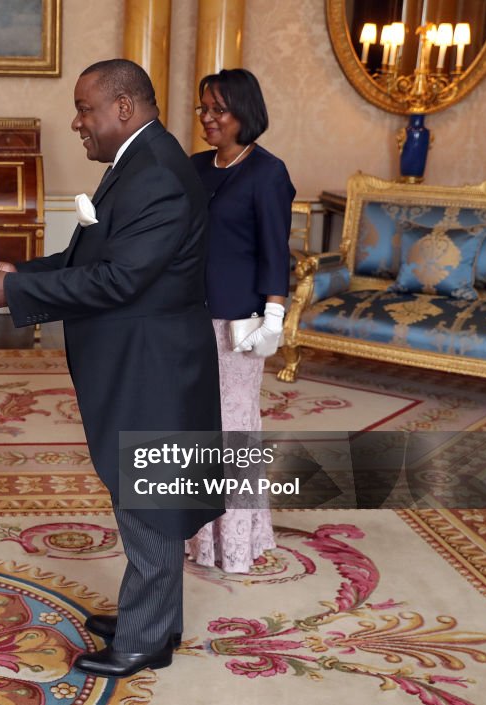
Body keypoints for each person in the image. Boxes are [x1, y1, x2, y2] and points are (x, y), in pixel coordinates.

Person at [0, 59, 222, 678]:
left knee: (149, 496)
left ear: (123, 108)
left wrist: (17, 295)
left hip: (151, 366)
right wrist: (25, 273)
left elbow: (121, 278)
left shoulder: (154, 171)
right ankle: (154, 616)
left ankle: (146, 638)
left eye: (85, 109)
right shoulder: (138, 161)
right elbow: (96, 253)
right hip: (141, 357)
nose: (77, 122)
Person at [185, 69, 295, 573]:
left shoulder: (267, 173)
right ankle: (197, 537)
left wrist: (274, 315)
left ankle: (236, 541)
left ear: (244, 114)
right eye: (203, 108)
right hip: (185, 317)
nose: (206, 118)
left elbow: (276, 250)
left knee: (232, 427)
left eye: (217, 110)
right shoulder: (195, 168)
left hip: (239, 323)